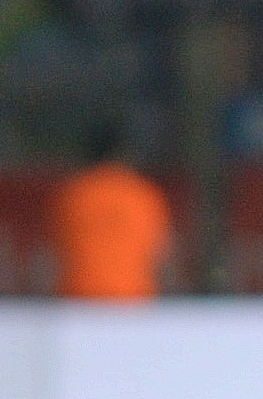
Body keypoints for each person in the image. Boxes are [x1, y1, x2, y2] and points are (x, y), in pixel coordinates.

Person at [51, 126, 172, 302]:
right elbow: (162, 256)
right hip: (133, 302)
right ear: (123, 153)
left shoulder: (72, 195)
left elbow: (52, 254)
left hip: (79, 301)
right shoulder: (143, 194)